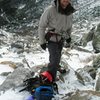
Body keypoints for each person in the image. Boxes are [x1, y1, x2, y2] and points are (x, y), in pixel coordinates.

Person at [38, 0, 76, 81]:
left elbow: (69, 26)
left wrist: (68, 37)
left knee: (58, 56)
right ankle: (50, 79)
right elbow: (42, 26)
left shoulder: (69, 11)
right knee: (54, 59)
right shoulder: (50, 10)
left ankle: (56, 68)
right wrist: (42, 42)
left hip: (61, 39)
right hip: (52, 39)